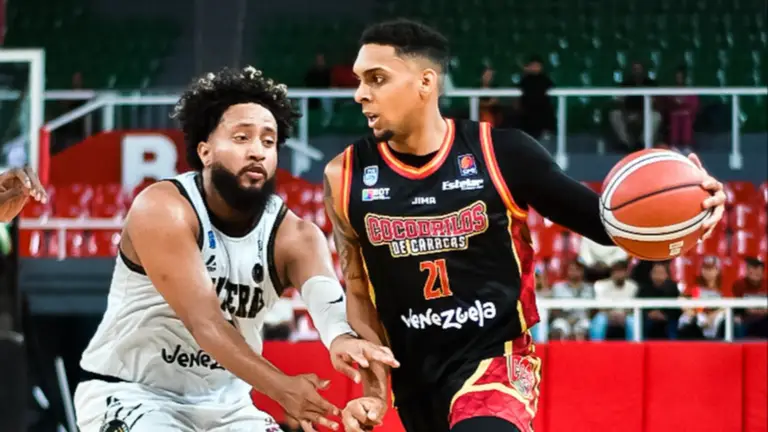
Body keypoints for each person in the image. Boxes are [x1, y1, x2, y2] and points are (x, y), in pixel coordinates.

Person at [323, 19, 727, 432]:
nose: (360, 94)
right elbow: (359, 289)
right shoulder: (345, 176)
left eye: (377, 79)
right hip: (415, 378)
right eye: (359, 80)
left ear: (426, 83)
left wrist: (695, 210)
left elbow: (610, 225)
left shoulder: (501, 153)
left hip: (495, 363)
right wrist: (374, 392)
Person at [73, 66, 398, 432]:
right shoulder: (163, 208)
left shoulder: (295, 236)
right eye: (242, 138)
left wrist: (343, 339)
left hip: (228, 406)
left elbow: (328, 305)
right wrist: (283, 388)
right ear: (205, 151)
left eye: (268, 142)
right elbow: (207, 324)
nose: (257, 151)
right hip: (134, 392)